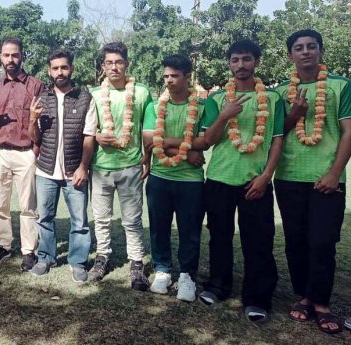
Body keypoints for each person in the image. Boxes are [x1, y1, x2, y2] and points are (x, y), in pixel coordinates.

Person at [196, 40, 284, 324]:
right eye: (235, 60)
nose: (241, 65)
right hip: (220, 178)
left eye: (246, 59)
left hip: (254, 181)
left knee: (258, 241)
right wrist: (224, 115)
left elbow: (277, 140)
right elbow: (208, 141)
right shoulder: (217, 99)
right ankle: (218, 285)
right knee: (219, 237)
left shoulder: (272, 99)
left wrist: (265, 176)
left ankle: (257, 297)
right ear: (230, 64)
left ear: (256, 62)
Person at [273, 29, 351, 334]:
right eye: (299, 48)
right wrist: (295, 115)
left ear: (320, 51)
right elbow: (278, 132)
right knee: (296, 241)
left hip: (326, 178)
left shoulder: (340, 86)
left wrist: (335, 172)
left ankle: (321, 303)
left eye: (311, 46)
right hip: (289, 176)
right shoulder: (280, 91)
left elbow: (348, 131)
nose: (305, 52)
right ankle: (304, 296)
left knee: (322, 241)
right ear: (291, 55)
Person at [86, 42, 152, 290]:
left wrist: (148, 156)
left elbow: (148, 128)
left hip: (131, 165)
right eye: (109, 63)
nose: (114, 67)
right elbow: (86, 129)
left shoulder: (142, 92)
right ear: (103, 66)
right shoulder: (93, 94)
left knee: (132, 220)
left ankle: (136, 263)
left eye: (119, 62)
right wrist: (97, 136)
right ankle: (102, 257)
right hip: (101, 167)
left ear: (127, 64)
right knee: (101, 218)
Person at [26, 49, 95, 282]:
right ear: (49, 71)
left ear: (71, 69)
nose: (60, 72)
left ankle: (78, 262)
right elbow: (34, 138)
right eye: (55, 68)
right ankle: (45, 257)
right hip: (46, 170)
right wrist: (33, 118)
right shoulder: (42, 99)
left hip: (74, 169)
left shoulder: (84, 98)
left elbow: (89, 136)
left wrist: (83, 167)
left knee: (79, 220)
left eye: (64, 67)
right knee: (44, 217)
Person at [142, 55, 206, 301]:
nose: (169, 80)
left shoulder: (202, 106)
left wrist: (169, 143)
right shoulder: (154, 107)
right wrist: (186, 151)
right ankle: (162, 270)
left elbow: (204, 140)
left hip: (190, 181)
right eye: (166, 75)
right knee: (159, 227)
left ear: (187, 77)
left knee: (190, 230)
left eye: (175, 76)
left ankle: (187, 276)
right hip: (159, 176)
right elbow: (149, 140)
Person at [0, 37, 44, 271]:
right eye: (6, 55)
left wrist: (34, 151)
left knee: (28, 204)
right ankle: (3, 244)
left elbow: (42, 121)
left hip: (24, 152)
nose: (10, 59)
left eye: (15, 55)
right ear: (0, 57)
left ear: (22, 56)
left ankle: (29, 250)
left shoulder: (35, 86)